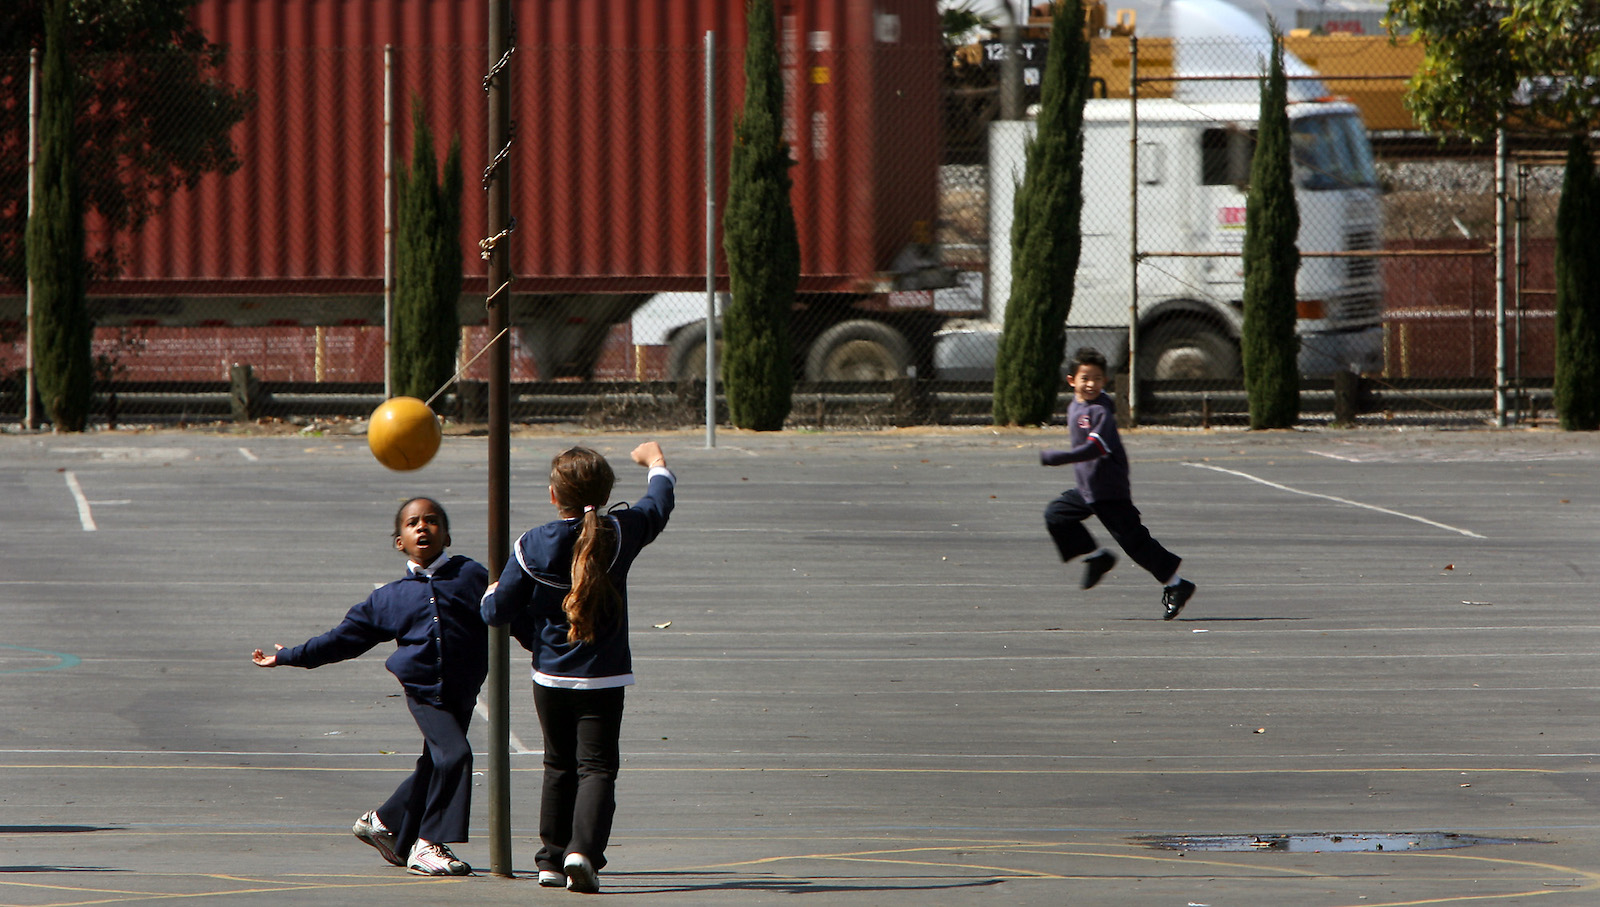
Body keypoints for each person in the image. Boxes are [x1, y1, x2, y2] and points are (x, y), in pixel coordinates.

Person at [251, 497, 488, 876]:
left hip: (464, 689)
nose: (422, 527)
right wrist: (290, 655)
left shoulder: (471, 575)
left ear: (447, 535)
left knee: (436, 763)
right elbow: (342, 639)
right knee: (455, 756)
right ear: (400, 542)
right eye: (413, 524)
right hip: (426, 693)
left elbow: (510, 611)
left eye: (431, 521)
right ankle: (427, 843)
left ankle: (385, 822)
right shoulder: (390, 598)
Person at [481, 442, 675, 893]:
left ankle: (549, 857)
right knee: (597, 767)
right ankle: (581, 853)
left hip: (549, 674)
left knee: (558, 764)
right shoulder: (620, 533)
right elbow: (658, 505)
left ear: (554, 496)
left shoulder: (533, 544)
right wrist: (657, 464)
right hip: (604, 675)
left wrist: (490, 592)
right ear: (606, 492)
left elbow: (497, 611)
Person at [1041, 348, 1196, 620]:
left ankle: (1177, 584)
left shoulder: (1101, 412)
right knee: (1057, 515)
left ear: (1105, 382)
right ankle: (1097, 556)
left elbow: (1095, 448)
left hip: (1109, 490)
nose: (1091, 384)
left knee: (1135, 542)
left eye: (1097, 378)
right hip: (1089, 489)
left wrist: (1059, 457)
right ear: (1071, 380)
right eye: (1085, 377)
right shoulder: (1074, 407)